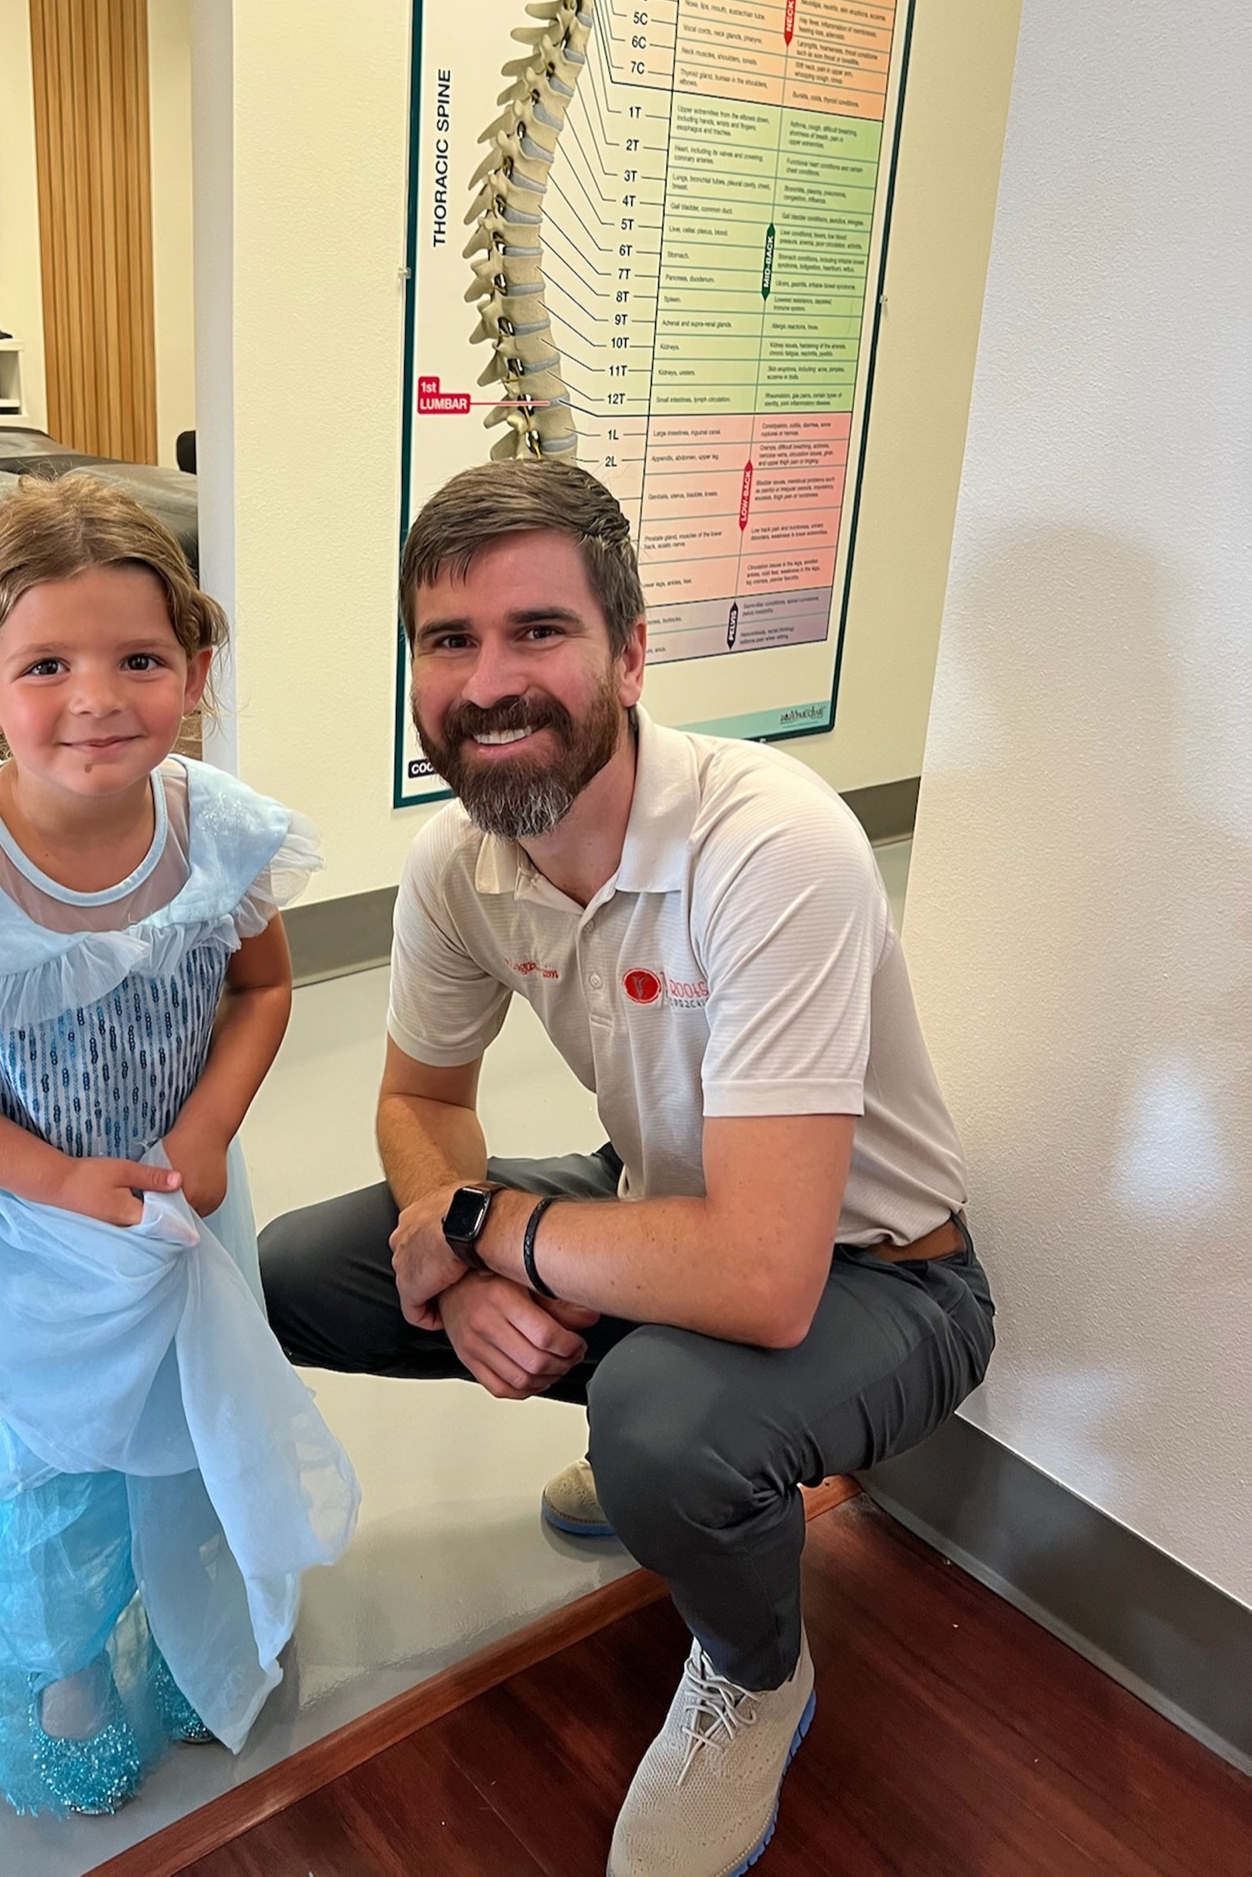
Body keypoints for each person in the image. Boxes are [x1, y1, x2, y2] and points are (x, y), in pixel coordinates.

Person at [259, 461, 994, 1877]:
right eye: (447, 641)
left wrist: (482, 1223)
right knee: (299, 1265)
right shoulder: (456, 863)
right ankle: (683, 1458)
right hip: (664, 1214)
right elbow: (420, 1096)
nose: (488, 681)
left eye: (539, 630)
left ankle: (753, 1666)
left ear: (632, 653)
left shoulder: (772, 845)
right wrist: (448, 1237)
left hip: (883, 1277)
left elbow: (771, 1279)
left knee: (666, 1423)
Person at [0, 471, 358, 1818]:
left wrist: (208, 1127)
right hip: (22, 1233)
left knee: (182, 1429)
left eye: (139, 659)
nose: (98, 698)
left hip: (175, 1213)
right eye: (46, 664)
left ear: (195, 668)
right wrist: (59, 1178)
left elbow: (263, 987)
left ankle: (190, 1620)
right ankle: (60, 1678)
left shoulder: (216, 829)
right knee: (52, 1469)